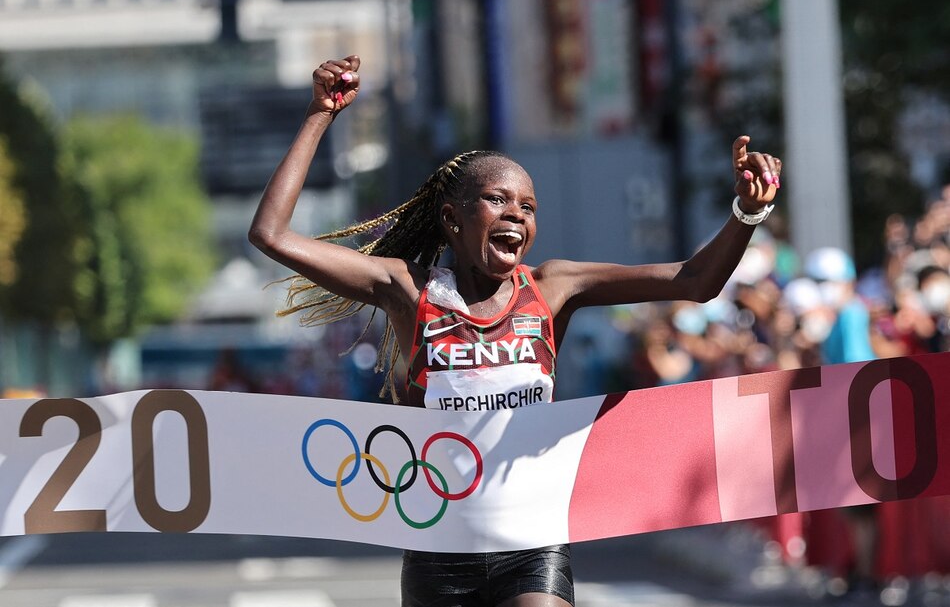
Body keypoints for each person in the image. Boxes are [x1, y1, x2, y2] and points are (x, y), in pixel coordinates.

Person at [248, 55, 781, 607]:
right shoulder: (408, 289)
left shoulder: (555, 287)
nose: (517, 215)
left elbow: (696, 281)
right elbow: (271, 234)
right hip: (439, 545)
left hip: (532, 541)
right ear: (452, 219)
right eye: (497, 199)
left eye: (528, 207)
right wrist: (320, 114)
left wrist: (746, 213)